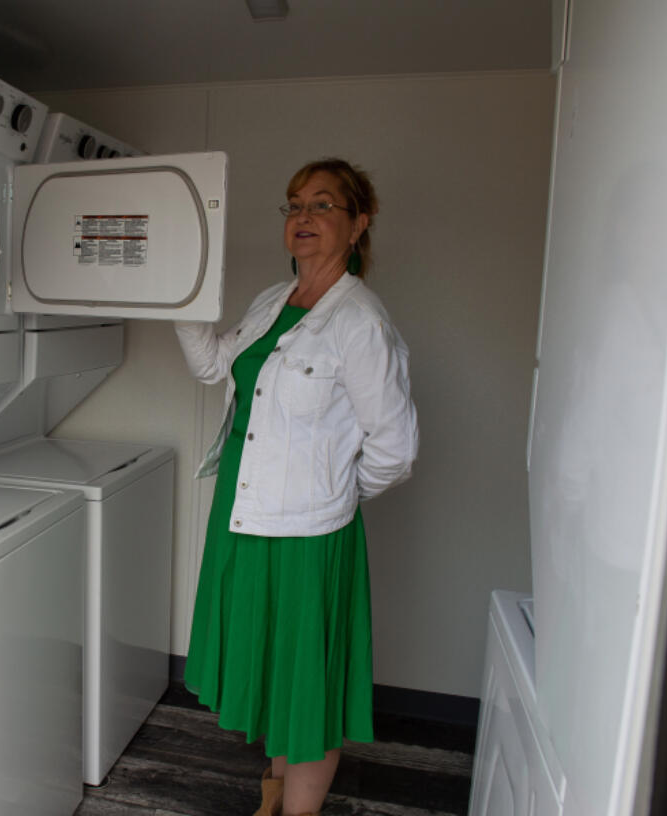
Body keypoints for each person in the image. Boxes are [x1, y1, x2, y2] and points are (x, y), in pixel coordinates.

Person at [174, 158, 418, 816]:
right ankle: (273, 796)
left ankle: (298, 813)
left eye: (321, 205)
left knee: (307, 686)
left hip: (310, 531)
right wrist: (177, 294)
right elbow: (210, 365)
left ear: (358, 222)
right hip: (245, 513)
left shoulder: (359, 323)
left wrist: (328, 492)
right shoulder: (270, 301)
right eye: (293, 206)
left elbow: (395, 450)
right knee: (275, 670)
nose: (302, 218)